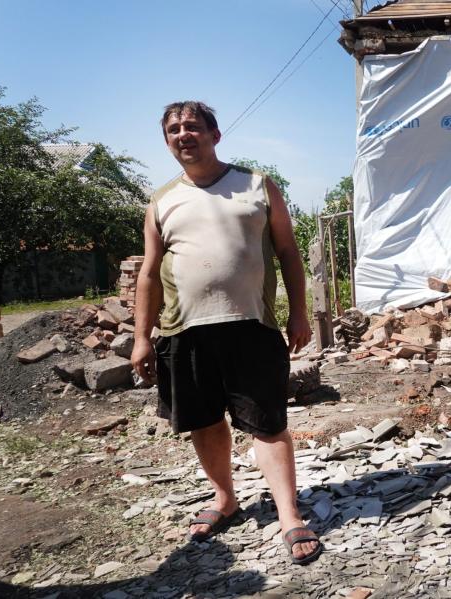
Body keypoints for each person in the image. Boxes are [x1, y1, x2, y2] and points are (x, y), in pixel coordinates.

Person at [130, 101, 321, 565]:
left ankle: (289, 515)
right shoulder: (161, 201)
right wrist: (141, 337)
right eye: (174, 129)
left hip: (250, 327)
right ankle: (225, 499)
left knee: (269, 423)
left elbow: (289, 254)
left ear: (215, 134)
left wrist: (299, 313)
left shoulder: (256, 186)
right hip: (184, 331)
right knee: (204, 421)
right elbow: (149, 275)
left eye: (193, 126)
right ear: (167, 141)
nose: (183, 134)